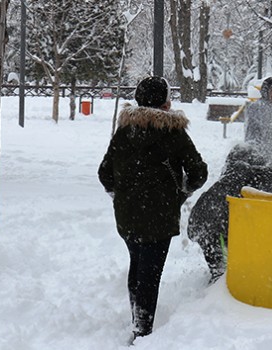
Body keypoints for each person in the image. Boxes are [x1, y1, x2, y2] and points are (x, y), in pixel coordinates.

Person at [98, 76, 208, 340]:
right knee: (150, 273)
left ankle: (138, 319)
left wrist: (122, 195)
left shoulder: (125, 131)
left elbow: (105, 173)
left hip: (127, 215)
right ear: (165, 102)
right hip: (159, 216)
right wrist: (181, 192)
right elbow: (199, 173)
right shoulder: (174, 133)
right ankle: (142, 331)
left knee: (137, 266)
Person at [187, 143, 272, 284]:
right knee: (224, 270)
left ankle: (215, 284)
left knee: (216, 258)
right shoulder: (245, 171)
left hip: (199, 219)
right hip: (217, 220)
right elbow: (271, 173)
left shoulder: (229, 173)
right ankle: (222, 290)